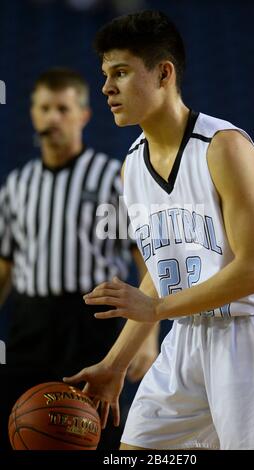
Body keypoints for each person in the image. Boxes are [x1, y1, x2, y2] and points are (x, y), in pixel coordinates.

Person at [64, 11, 254, 450]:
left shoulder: (223, 147)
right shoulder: (130, 167)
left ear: (164, 74)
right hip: (187, 335)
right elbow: (161, 267)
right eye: (104, 75)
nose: (106, 88)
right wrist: (116, 364)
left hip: (251, 338)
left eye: (120, 73)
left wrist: (156, 311)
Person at [0, 67, 159, 450]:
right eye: (43, 108)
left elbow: (147, 258)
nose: (52, 117)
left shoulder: (111, 177)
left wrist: (147, 336)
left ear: (83, 115)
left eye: (62, 108)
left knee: (92, 433)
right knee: (26, 429)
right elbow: (4, 266)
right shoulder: (17, 184)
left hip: (92, 322)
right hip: (29, 324)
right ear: (33, 113)